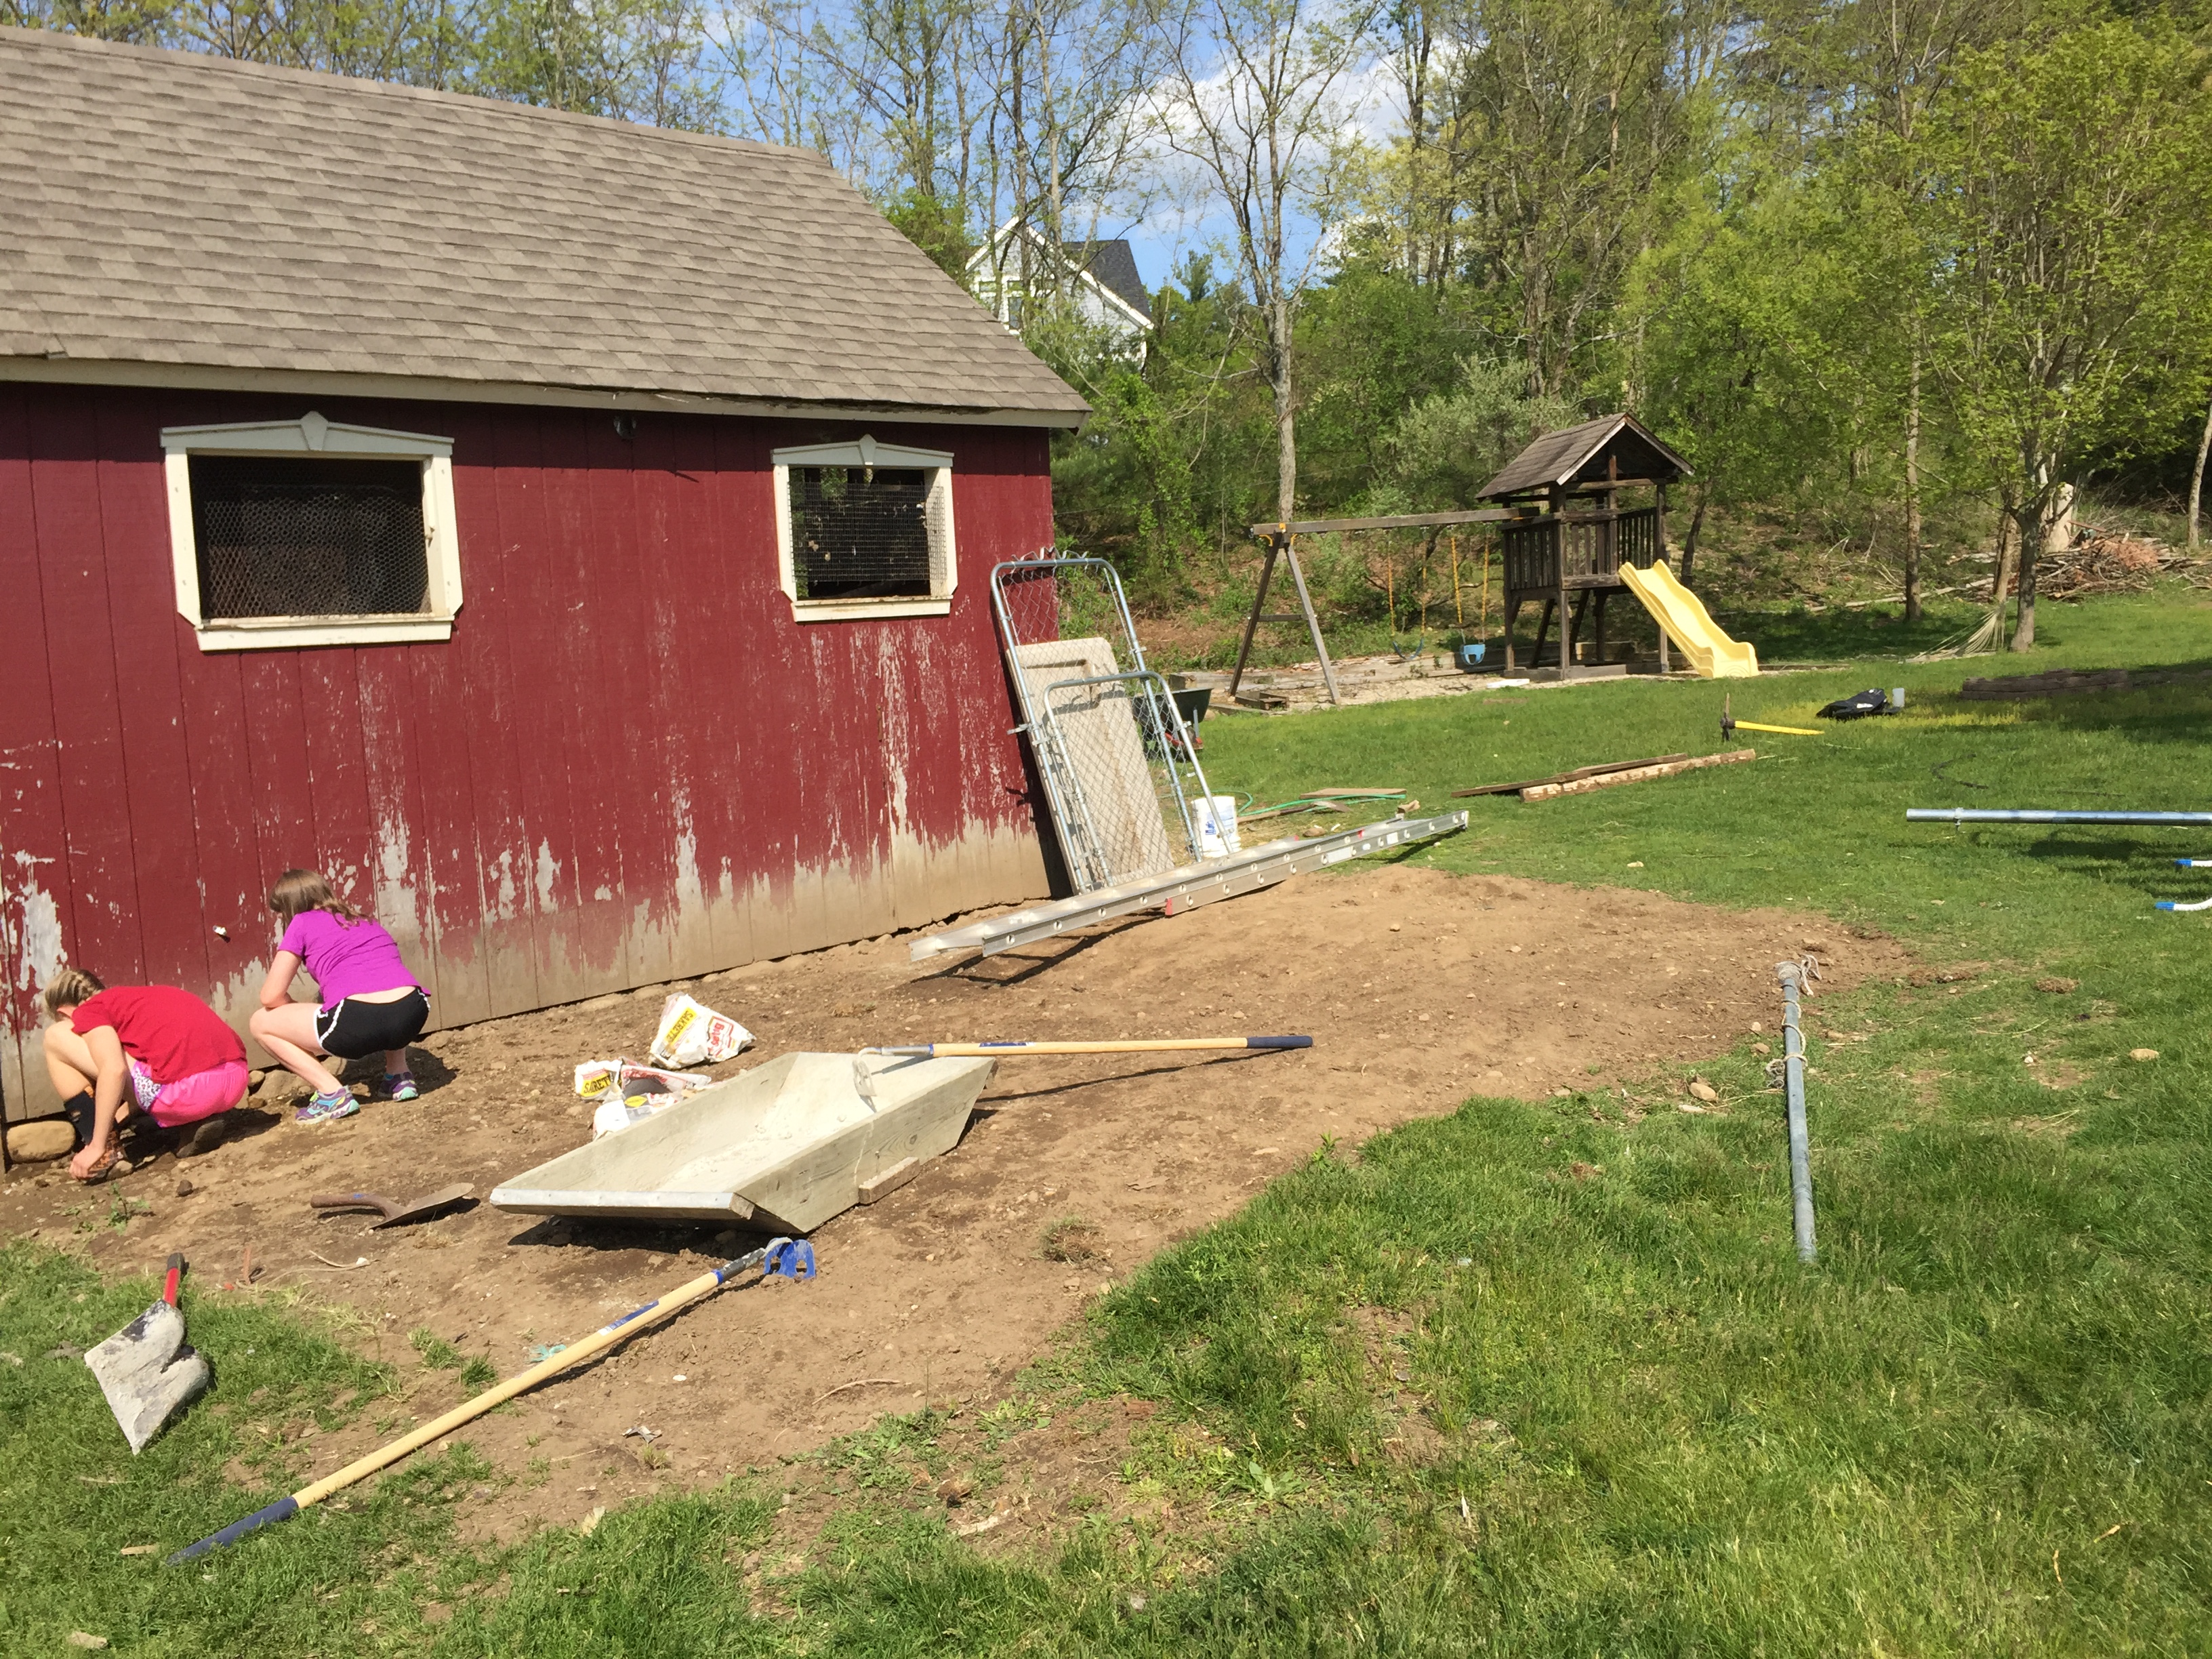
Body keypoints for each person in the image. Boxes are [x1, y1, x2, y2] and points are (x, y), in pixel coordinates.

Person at [249, 869, 429, 1124]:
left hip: (357, 1019)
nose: (281, 918)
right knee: (383, 989)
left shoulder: (301, 922)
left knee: (260, 1022)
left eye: (280, 912)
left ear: (290, 906)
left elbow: (270, 996)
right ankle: (399, 1076)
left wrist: (295, 1015)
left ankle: (331, 1094)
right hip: (414, 1010)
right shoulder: (363, 919)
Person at [42, 968, 248, 1182]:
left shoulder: (88, 1011)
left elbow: (115, 1070)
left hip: (188, 1095)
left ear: (65, 1012)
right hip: (236, 1080)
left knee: (54, 1037)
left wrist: (97, 1145)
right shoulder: (142, 997)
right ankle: (194, 1123)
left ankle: (106, 1152)